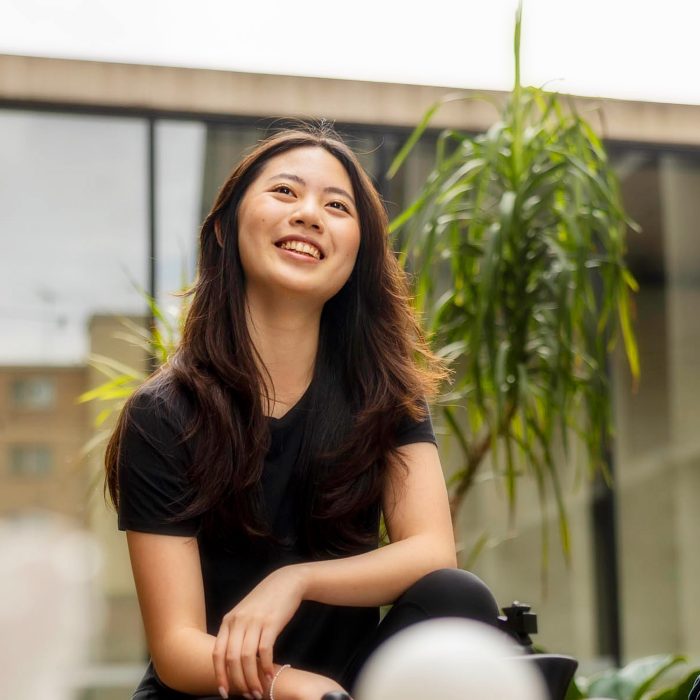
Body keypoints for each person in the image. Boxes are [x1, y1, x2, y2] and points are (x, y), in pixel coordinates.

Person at [105, 124, 500, 700]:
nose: (310, 214)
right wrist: (292, 686)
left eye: (336, 206)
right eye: (286, 193)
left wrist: (297, 580)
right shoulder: (164, 414)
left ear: (359, 253)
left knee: (457, 597)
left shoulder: (385, 396)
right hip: (219, 691)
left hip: (348, 686)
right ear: (224, 229)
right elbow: (176, 648)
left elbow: (432, 552)